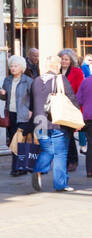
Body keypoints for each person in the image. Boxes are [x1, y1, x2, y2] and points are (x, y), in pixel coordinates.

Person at [30, 53, 77, 193]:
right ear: (57, 66)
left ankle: (38, 170)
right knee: (60, 154)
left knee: (47, 149)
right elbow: (71, 99)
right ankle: (60, 184)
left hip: (40, 122)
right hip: (57, 122)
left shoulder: (36, 81)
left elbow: (31, 104)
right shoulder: (60, 79)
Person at [3, 53, 35, 177]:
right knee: (13, 142)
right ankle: (19, 167)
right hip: (11, 115)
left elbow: (33, 97)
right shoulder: (7, 80)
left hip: (23, 115)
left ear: (21, 67)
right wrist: (2, 93)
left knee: (19, 142)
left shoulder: (28, 81)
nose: (13, 68)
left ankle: (18, 167)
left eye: (15, 66)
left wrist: (31, 110)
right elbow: (4, 98)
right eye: (11, 66)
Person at [59, 49, 82, 171]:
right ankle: (65, 160)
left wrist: (79, 109)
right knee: (61, 134)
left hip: (71, 107)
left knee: (69, 134)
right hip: (58, 107)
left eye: (66, 59)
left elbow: (80, 90)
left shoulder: (77, 72)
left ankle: (73, 160)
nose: (64, 61)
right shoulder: (56, 71)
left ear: (71, 61)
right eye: (62, 59)